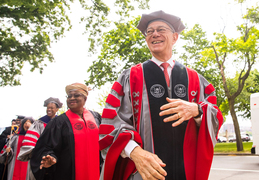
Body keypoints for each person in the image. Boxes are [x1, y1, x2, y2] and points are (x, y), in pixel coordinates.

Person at [99, 10, 224, 180]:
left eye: (161, 29)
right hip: (142, 172)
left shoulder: (195, 79)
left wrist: (197, 110)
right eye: (149, 31)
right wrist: (135, 153)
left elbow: (215, 116)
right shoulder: (131, 77)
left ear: (175, 37)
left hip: (185, 172)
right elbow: (110, 122)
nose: (154, 34)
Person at [30, 83, 101, 180]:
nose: (71, 98)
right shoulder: (58, 122)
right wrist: (50, 157)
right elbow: (45, 146)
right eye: (69, 96)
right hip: (68, 174)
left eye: (76, 95)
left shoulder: (96, 118)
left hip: (96, 171)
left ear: (85, 99)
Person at [17, 97, 63, 162]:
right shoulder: (39, 123)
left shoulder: (60, 122)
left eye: (51, 108)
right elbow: (31, 138)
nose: (49, 109)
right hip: (42, 154)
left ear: (57, 109)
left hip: (57, 154)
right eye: (48, 108)